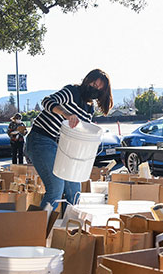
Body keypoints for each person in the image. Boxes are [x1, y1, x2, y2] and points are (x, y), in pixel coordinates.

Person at [25, 69, 113, 208]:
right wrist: (66, 113)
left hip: (62, 149)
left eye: (99, 89)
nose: (95, 89)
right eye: (94, 84)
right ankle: (38, 228)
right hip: (40, 139)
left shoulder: (89, 109)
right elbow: (47, 101)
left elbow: (81, 134)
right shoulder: (72, 92)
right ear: (87, 79)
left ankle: (68, 226)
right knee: (55, 188)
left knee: (75, 190)